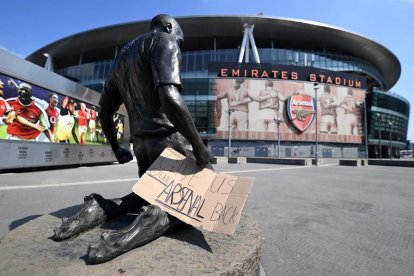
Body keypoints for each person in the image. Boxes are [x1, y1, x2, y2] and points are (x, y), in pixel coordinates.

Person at [52, 14, 213, 264]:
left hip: (142, 146)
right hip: (169, 142)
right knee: (201, 197)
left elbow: (104, 111)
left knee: (144, 196)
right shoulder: (164, 40)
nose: (177, 45)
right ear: (170, 28)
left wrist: (119, 148)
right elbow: (169, 96)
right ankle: (134, 231)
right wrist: (198, 146)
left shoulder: (122, 58)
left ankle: (97, 209)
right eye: (179, 40)